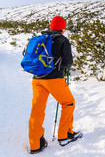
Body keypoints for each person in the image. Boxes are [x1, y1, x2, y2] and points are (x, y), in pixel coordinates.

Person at [28, 16, 82, 154]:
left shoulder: (42, 38)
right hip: (53, 79)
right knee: (68, 102)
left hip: (37, 79)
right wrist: (62, 67)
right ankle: (65, 135)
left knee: (37, 110)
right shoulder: (62, 40)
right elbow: (68, 62)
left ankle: (36, 144)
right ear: (62, 28)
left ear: (51, 27)